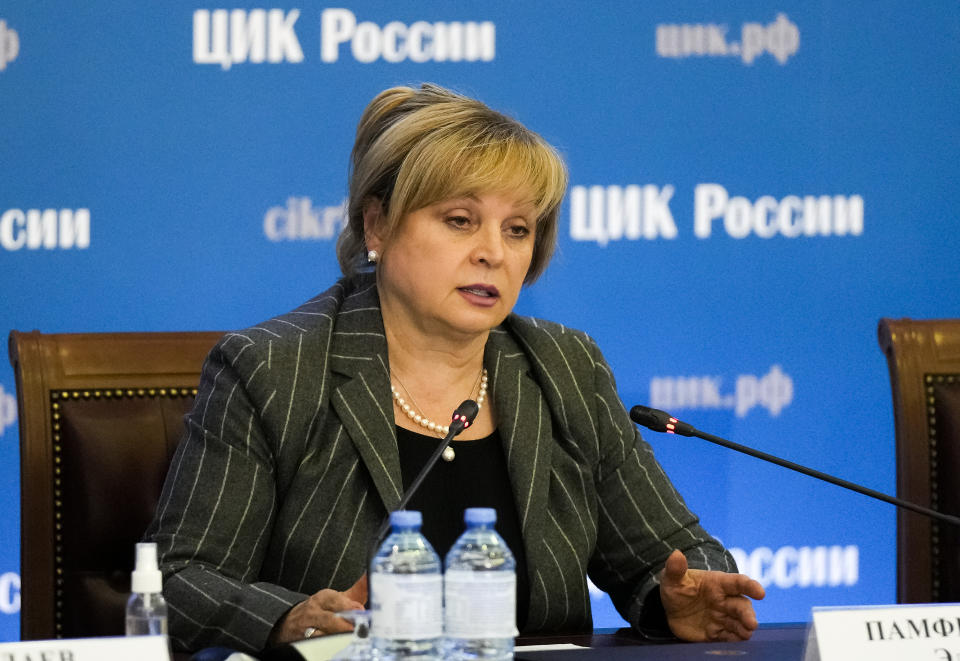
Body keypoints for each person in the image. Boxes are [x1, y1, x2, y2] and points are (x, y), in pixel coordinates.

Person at [146, 83, 765, 655]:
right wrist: (287, 617)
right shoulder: (274, 368)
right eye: (460, 220)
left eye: (517, 229)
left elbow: (669, 555)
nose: (493, 252)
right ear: (377, 224)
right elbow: (181, 582)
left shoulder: (564, 367)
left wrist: (677, 595)